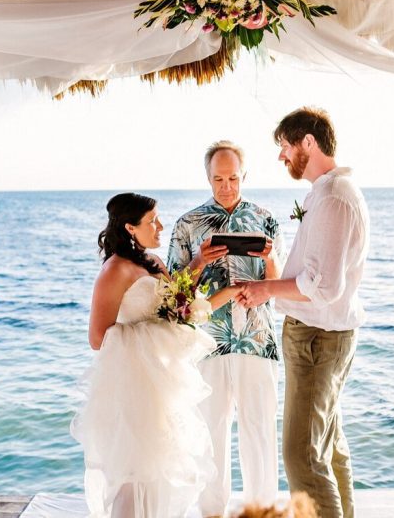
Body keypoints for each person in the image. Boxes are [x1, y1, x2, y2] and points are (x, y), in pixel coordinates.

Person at [236, 108, 370, 518]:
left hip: (316, 339)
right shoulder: (332, 192)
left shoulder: (332, 198)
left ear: (308, 143)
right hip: (326, 336)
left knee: (301, 459)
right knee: (328, 451)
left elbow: (323, 287)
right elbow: (319, 273)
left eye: (285, 146)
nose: (281, 157)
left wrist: (264, 289)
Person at [71, 192, 237, 518]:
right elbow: (97, 337)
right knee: (135, 467)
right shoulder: (114, 271)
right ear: (130, 228)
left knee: (162, 465)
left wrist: (200, 261)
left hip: (162, 378)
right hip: (132, 380)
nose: (161, 226)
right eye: (152, 221)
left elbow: (176, 301)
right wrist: (152, 333)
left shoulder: (152, 261)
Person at [167, 141, 284, 518]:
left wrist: (270, 258)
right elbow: (174, 293)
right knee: (210, 434)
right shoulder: (188, 224)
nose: (227, 186)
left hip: (257, 339)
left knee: (261, 432)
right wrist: (200, 260)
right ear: (208, 178)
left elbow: (279, 283)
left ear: (244, 175)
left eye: (233, 178)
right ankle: (212, 513)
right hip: (208, 343)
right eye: (218, 179)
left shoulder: (265, 220)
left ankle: (261, 510)